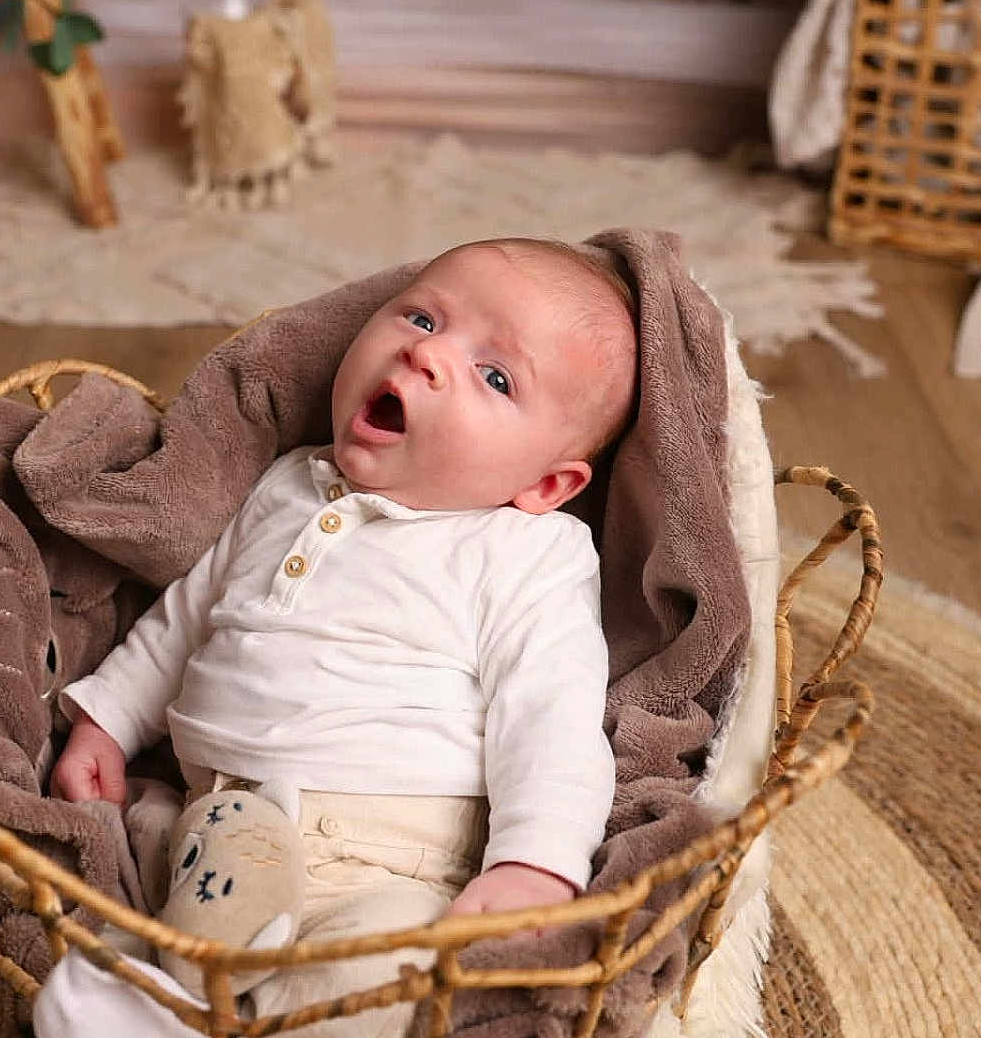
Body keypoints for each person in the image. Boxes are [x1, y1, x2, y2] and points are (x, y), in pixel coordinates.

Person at [45, 237, 638, 1036]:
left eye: (495, 376)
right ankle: (177, 990)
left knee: (384, 979)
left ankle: (214, 1002)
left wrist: (534, 862)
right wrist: (108, 717)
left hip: (389, 865)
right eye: (422, 316)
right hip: (216, 819)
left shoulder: (527, 552)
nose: (427, 353)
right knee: (142, 863)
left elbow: (552, 720)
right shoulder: (286, 483)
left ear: (545, 484)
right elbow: (188, 614)